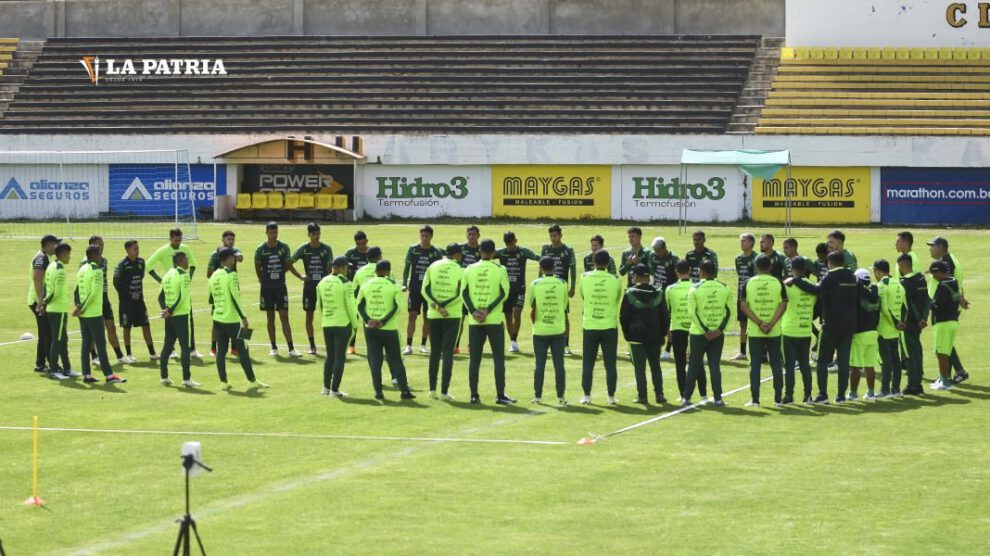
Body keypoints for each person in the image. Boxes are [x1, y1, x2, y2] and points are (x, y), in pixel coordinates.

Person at [788, 251, 858, 404]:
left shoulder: (831, 276)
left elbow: (816, 289)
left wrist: (796, 280)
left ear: (830, 263)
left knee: (822, 360)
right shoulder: (852, 276)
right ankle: (841, 396)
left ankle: (823, 395)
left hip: (831, 325)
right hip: (849, 325)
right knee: (844, 361)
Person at [462, 239, 515, 404]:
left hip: (474, 321)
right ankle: (500, 395)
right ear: (493, 253)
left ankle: (474, 395)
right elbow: (504, 293)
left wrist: (474, 311)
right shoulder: (500, 269)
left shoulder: (469, 269)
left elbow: (464, 293)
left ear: (479, 251)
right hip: (494, 320)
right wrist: (488, 310)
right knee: (498, 358)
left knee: (474, 359)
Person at [209, 247, 267, 390]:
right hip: (232, 320)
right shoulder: (232, 275)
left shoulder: (214, 276)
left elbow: (211, 299)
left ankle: (223, 382)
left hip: (218, 318)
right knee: (243, 349)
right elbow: (235, 298)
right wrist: (244, 318)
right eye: (232, 257)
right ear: (227, 259)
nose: (234, 259)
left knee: (221, 351)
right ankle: (252, 381)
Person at [357, 260, 415, 400]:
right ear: (388, 271)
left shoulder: (366, 285)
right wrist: (382, 321)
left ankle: (378, 392)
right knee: (396, 360)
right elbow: (397, 307)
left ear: (376, 271)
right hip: (388, 329)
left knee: (375, 360)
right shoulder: (394, 286)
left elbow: (359, 305)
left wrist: (368, 320)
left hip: (370, 329)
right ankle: (405, 391)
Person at [739, 255, 788, 407]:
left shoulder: (748, 282)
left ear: (755, 266)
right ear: (770, 267)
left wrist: (760, 323)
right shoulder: (778, 282)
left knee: (755, 365)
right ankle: (778, 399)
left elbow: (744, 306)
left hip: (755, 331)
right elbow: (783, 304)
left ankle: (755, 400)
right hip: (773, 331)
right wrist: (771, 323)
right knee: (776, 364)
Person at [74, 244, 126, 384]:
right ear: (94, 256)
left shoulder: (82, 269)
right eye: (99, 254)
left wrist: (78, 306)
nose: (101, 257)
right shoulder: (97, 271)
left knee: (86, 342)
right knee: (101, 344)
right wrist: (82, 307)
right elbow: (93, 293)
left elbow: (76, 290)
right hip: (93, 313)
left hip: (83, 314)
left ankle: (87, 375)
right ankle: (109, 375)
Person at [147, 228, 203, 358]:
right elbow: (148, 265)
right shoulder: (163, 251)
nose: (178, 243)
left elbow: (194, 264)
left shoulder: (185, 249)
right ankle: (171, 350)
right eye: (176, 240)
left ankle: (192, 349)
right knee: (170, 318)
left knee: (189, 318)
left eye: (180, 240)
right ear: (170, 238)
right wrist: (161, 281)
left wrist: (189, 278)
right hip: (169, 291)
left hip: (182, 288)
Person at [620, 263, 670, 404]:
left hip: (636, 337)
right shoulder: (659, 293)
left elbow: (623, 317)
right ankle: (659, 395)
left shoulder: (629, 293)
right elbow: (665, 317)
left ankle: (642, 396)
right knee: (656, 367)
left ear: (636, 276)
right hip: (655, 336)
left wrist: (627, 334)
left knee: (639, 368)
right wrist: (663, 333)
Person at [682, 261, 731, 406]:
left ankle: (687, 397)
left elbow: (692, 313)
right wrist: (719, 330)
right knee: (715, 366)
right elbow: (729, 312)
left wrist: (704, 329)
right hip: (717, 334)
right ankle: (718, 398)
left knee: (693, 365)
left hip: (698, 334)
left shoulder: (695, 288)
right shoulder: (724, 287)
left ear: (701, 271)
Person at [579, 250, 623, 405]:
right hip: (609, 326)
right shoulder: (615, 279)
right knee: (610, 363)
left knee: (588, 363)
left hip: (590, 325)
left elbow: (583, 296)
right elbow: (617, 299)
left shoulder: (584, 278)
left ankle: (587, 396)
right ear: (609, 263)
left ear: (593, 262)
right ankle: (611, 397)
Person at [255, 222, 304, 357]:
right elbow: (257, 267)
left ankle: (291, 348)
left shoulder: (284, 247)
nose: (274, 235)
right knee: (270, 317)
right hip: (267, 288)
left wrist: (298, 275)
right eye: (271, 232)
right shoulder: (260, 249)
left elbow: (288, 265)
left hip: (280, 287)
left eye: (275, 232)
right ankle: (274, 347)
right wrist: (263, 281)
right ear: (266, 232)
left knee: (284, 316)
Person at [422, 243, 464, 400]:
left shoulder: (433, 266)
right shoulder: (460, 269)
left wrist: (437, 306)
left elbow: (424, 290)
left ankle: (432, 389)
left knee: (434, 352)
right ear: (458, 255)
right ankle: (445, 392)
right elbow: (461, 294)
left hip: (434, 314)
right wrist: (445, 306)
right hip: (452, 315)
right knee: (447, 353)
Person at [526, 256, 569, 405]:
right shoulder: (563, 283)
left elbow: (531, 304)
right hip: (558, 329)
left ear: (540, 268)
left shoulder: (535, 284)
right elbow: (564, 306)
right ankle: (561, 397)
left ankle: (538, 396)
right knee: (559, 364)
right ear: (554, 267)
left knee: (539, 364)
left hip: (540, 329)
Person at [927, 236, 969, 383]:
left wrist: (959, 299)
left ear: (941, 247)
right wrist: (961, 298)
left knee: (944, 343)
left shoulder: (947, 262)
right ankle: (948, 374)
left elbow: (949, 282)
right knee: (946, 342)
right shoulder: (950, 259)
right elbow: (956, 282)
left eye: (932, 246)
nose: (930, 249)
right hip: (947, 303)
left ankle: (956, 372)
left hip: (943, 305)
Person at [316, 256, 359, 397]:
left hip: (327, 323)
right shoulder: (345, 283)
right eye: (346, 267)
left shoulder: (322, 282)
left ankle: (326, 388)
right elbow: (351, 306)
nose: (347, 270)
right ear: (341, 267)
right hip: (342, 324)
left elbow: (320, 305)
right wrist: (354, 324)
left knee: (330, 356)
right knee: (340, 357)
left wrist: (326, 317)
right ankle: (335, 390)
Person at [82, 236, 126, 365]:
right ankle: (94, 356)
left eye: (103, 245)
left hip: (104, 298)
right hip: (92, 299)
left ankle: (119, 355)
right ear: (92, 247)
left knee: (111, 326)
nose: (102, 248)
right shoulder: (85, 263)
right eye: (99, 245)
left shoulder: (104, 261)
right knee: (95, 330)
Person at [666, 260, 705, 402]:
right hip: (695, 329)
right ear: (690, 271)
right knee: (697, 362)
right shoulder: (697, 287)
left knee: (680, 363)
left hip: (677, 329)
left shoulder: (670, 289)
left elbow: (668, 310)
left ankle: (683, 394)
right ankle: (703, 394)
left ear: (676, 271)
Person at [293, 222, 333, 355]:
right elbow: (289, 262)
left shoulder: (326, 249)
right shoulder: (304, 249)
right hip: (309, 288)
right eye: (314, 234)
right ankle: (312, 345)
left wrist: (326, 281)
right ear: (309, 234)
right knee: (309, 316)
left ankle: (330, 344)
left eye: (318, 233)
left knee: (328, 315)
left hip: (324, 288)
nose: (317, 236)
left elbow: (329, 269)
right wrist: (300, 276)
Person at [402, 225, 443, 355]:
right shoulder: (413, 250)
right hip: (414, 288)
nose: (424, 238)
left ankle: (423, 345)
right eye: (422, 236)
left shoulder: (436, 252)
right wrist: (404, 283)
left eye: (426, 236)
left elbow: (438, 272)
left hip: (429, 291)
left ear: (431, 236)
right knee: (412, 315)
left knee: (427, 317)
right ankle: (408, 345)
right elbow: (407, 267)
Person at [158, 252, 197, 387]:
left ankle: (164, 377)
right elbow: (181, 297)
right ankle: (186, 379)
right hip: (181, 316)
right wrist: (170, 310)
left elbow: (160, 297)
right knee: (185, 347)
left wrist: (165, 310)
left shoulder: (168, 274)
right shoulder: (184, 276)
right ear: (180, 260)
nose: (188, 262)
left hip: (170, 318)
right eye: (186, 259)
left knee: (167, 345)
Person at [496, 231, 540, 355]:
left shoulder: (523, 252)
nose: (509, 246)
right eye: (507, 244)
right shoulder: (501, 252)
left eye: (511, 243)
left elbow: (538, 258)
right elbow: (486, 256)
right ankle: (513, 342)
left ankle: (514, 338)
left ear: (516, 241)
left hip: (519, 289)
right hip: (505, 290)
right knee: (508, 316)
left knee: (517, 312)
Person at [114, 240, 156, 363]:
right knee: (127, 327)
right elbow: (116, 282)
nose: (137, 251)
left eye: (138, 248)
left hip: (139, 301)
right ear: (127, 250)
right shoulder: (122, 264)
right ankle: (129, 354)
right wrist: (127, 295)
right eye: (134, 249)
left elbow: (141, 276)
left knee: (146, 325)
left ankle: (152, 352)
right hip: (126, 303)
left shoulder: (141, 262)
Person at [781, 257, 817, 404]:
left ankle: (789, 395)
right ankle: (808, 395)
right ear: (805, 269)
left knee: (789, 366)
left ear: (792, 269)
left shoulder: (788, 285)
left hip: (789, 330)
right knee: (804, 365)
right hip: (805, 330)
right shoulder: (811, 285)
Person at [206, 230, 243, 357]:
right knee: (217, 319)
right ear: (222, 240)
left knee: (234, 318)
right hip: (220, 292)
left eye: (233, 239)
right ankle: (213, 348)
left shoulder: (235, 251)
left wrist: (234, 256)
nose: (231, 242)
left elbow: (241, 257)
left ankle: (234, 347)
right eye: (229, 239)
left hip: (233, 289)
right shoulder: (214, 255)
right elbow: (208, 274)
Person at [541, 224, 577, 354]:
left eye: (555, 235)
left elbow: (572, 268)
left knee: (563, 316)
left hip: (561, 290)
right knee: (546, 315)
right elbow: (541, 269)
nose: (553, 238)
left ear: (561, 236)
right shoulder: (545, 250)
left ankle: (566, 345)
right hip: (545, 289)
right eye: (551, 236)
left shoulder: (568, 250)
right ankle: (546, 344)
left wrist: (572, 287)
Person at [874, 259, 907, 398]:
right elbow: (905, 307)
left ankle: (885, 390)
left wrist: (895, 322)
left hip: (884, 329)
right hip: (896, 331)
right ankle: (896, 389)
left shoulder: (881, 285)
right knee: (896, 361)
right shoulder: (899, 284)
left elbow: (885, 308)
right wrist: (902, 322)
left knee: (886, 362)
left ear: (878, 271)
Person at [42, 243, 75, 380]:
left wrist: (44, 301)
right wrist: (45, 302)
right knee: (57, 340)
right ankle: (54, 369)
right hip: (58, 310)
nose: (70, 257)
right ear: (62, 254)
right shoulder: (60, 269)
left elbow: (46, 286)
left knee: (62, 339)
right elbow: (56, 291)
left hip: (53, 309)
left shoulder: (51, 266)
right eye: (68, 254)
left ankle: (67, 368)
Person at [899, 253, 930, 396]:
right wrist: (923, 318)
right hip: (919, 324)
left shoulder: (904, 282)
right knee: (916, 352)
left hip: (908, 324)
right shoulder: (921, 279)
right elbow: (926, 300)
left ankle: (913, 385)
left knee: (909, 355)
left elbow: (908, 304)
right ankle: (918, 384)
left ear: (902, 265)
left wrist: (918, 318)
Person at [28, 234, 59, 374]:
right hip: (37, 301)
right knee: (48, 334)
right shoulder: (41, 258)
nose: (57, 247)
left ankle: (40, 364)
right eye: (54, 244)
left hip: (38, 300)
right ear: (47, 245)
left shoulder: (45, 256)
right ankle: (51, 365)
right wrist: (41, 301)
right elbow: (37, 278)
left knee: (44, 333)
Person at [848, 269, 880, 401]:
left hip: (860, 334)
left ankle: (853, 394)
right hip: (873, 333)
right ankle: (871, 392)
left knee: (855, 366)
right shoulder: (875, 293)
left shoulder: (858, 294)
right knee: (869, 365)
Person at [928, 261, 961, 391]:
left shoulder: (942, 287)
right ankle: (944, 379)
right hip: (953, 321)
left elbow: (935, 306)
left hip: (943, 323)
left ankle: (945, 382)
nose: (933, 276)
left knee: (940, 352)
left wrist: (926, 300)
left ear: (939, 272)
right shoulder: (954, 282)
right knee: (945, 352)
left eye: (933, 273)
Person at [648, 237, 678, 361]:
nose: (656, 252)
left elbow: (678, 277)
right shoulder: (652, 256)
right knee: (656, 321)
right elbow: (651, 272)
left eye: (658, 250)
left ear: (664, 248)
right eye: (654, 250)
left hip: (670, 294)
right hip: (656, 293)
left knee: (670, 322)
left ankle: (668, 349)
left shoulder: (673, 259)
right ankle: (655, 347)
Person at [454, 226, 482, 355]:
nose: (471, 237)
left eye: (474, 234)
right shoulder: (460, 249)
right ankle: (456, 345)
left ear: (478, 235)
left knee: (473, 317)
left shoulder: (482, 250)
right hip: (461, 289)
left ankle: (472, 345)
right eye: (469, 234)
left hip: (475, 289)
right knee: (460, 318)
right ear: (466, 235)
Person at [731, 232, 757, 361]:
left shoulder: (757, 258)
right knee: (743, 324)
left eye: (744, 241)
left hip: (753, 296)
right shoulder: (738, 259)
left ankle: (759, 351)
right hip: (742, 295)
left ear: (751, 243)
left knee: (755, 323)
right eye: (741, 241)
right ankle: (742, 352)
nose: (742, 243)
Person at [344, 230, 370, 354]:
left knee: (367, 319)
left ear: (367, 241)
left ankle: (370, 344)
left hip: (368, 293)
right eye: (358, 244)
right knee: (354, 319)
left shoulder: (371, 253)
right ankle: (351, 345)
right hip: (354, 292)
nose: (361, 246)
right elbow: (343, 269)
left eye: (362, 243)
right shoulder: (350, 253)